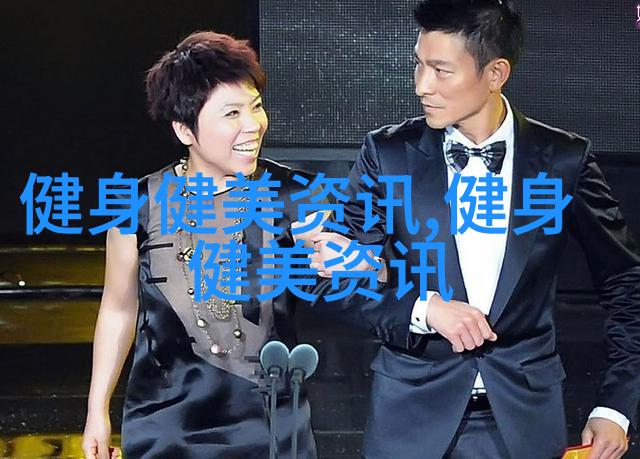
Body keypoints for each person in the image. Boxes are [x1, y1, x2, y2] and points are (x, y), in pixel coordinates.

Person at [308, 1, 640, 458]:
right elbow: (329, 281)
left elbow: (626, 282)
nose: (422, 85)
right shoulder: (389, 155)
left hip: (524, 420)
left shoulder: (563, 160)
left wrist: (615, 406)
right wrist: (424, 310)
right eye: (419, 65)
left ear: (496, 73)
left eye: (441, 71)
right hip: (410, 420)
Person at [82, 31, 320, 459]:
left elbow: (345, 278)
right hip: (167, 426)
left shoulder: (294, 195)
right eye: (232, 113)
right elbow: (118, 308)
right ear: (184, 130)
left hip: (271, 426)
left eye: (256, 106)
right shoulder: (137, 204)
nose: (253, 125)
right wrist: (96, 410)